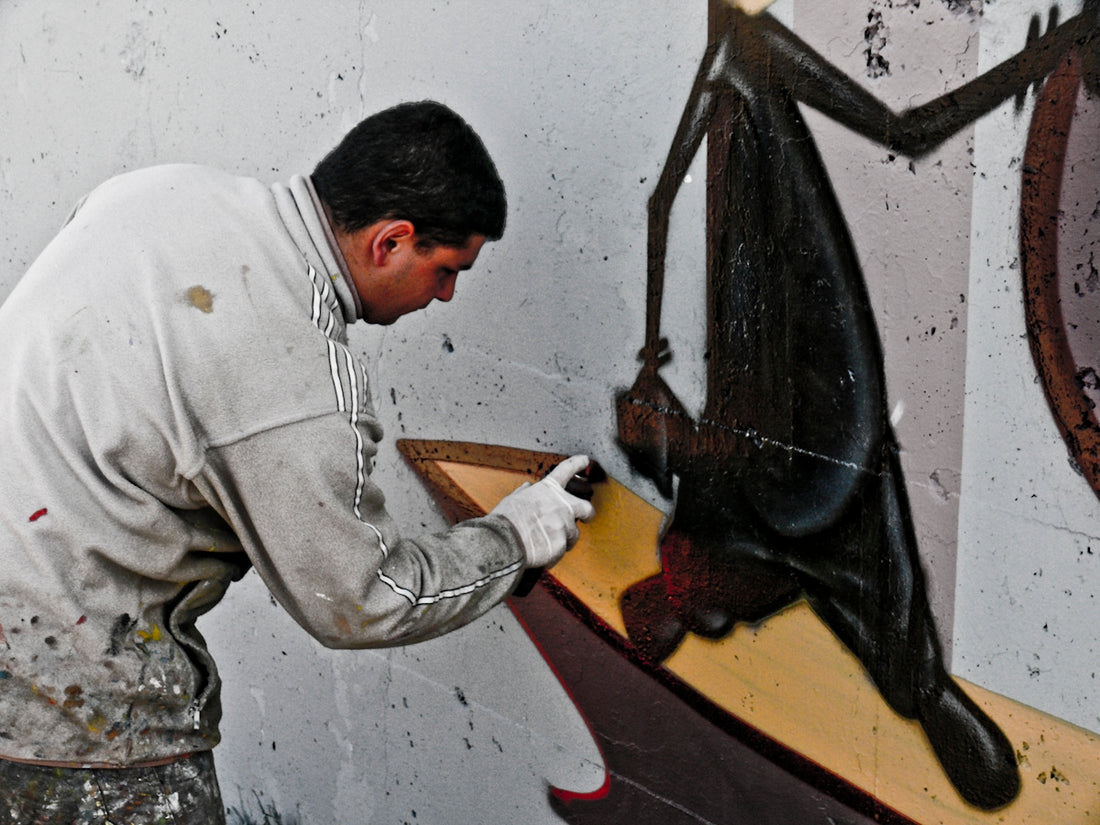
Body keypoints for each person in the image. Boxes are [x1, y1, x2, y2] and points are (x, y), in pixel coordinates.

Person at [0, 100, 594, 824]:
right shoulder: (294, 369)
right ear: (391, 241)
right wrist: (514, 539)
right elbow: (362, 600)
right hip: (70, 695)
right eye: (446, 269)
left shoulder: (158, 191)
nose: (446, 296)